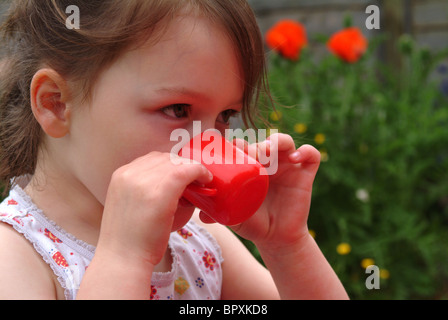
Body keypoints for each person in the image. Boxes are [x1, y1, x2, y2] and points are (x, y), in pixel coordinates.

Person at [0, 0, 348, 300]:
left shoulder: (196, 239)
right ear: (56, 103)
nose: (205, 146)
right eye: (178, 110)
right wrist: (124, 259)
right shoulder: (15, 257)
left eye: (225, 116)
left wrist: (286, 245)